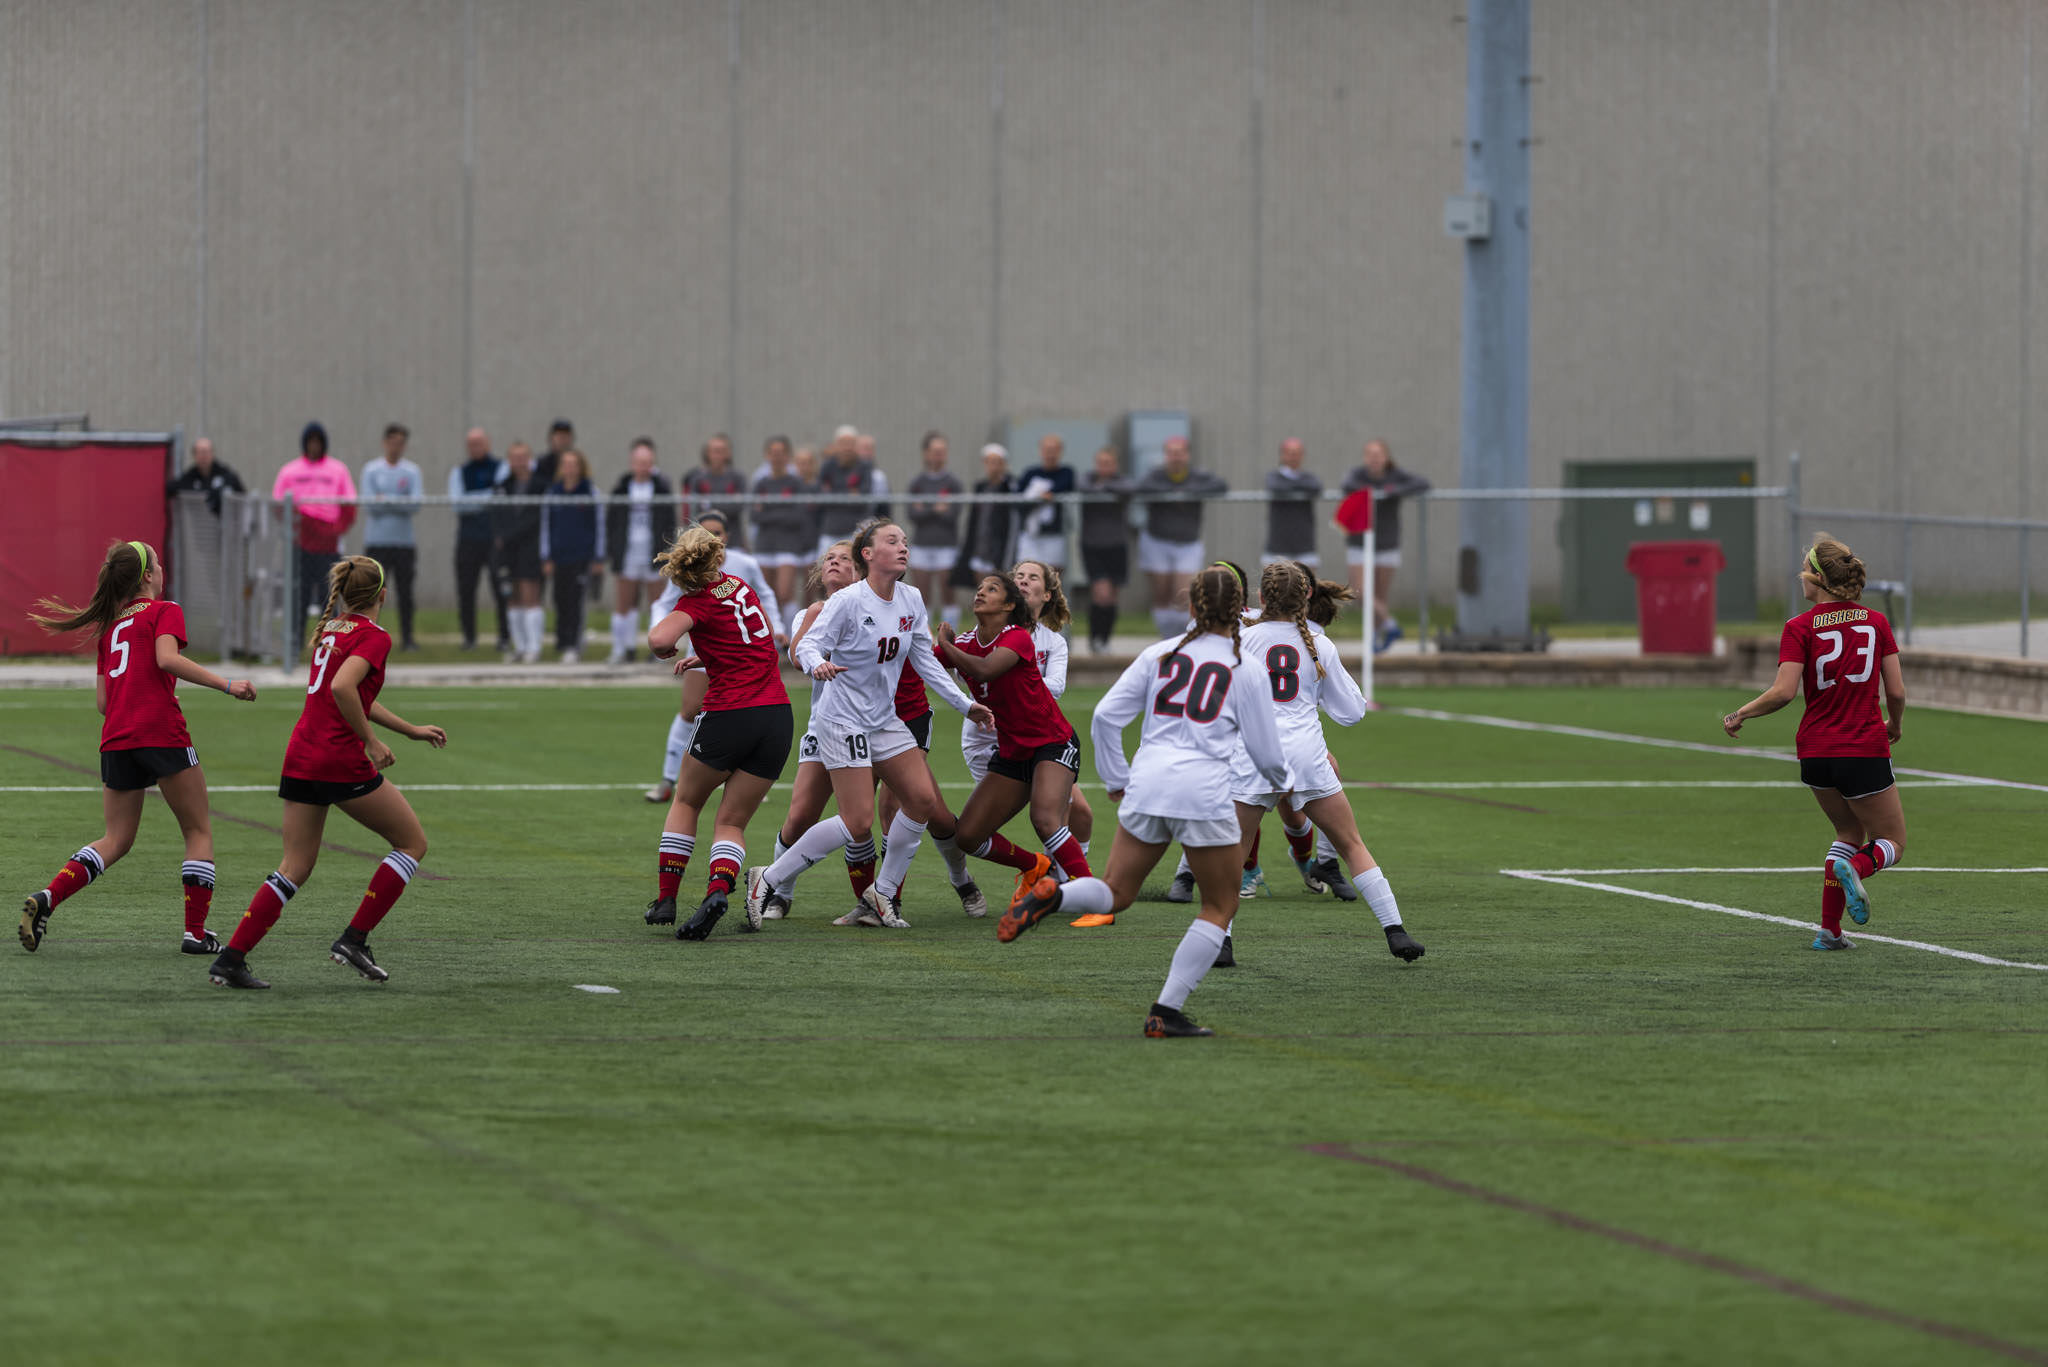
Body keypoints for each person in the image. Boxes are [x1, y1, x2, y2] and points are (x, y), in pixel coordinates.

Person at [997, 566, 1287, 1040]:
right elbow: (1268, 756)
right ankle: (1165, 1011)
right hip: (1204, 792)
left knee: (1115, 891)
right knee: (1220, 904)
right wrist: (1281, 782)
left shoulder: (1159, 654)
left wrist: (1117, 779)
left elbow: (1107, 717)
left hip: (1149, 783)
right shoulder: (1246, 668)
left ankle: (1056, 895)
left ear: (1191, 607)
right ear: (1241, 611)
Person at [747, 519, 1015, 930]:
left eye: (905, 541)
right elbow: (809, 645)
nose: (903, 547)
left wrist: (966, 705)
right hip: (842, 720)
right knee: (857, 822)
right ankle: (768, 879)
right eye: (892, 541)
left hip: (884, 719)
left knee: (923, 800)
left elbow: (925, 660)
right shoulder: (848, 600)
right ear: (868, 555)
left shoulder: (911, 598)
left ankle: (882, 895)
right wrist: (818, 665)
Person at [206, 556, 447, 989]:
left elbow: (353, 693)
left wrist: (408, 730)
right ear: (383, 596)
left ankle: (231, 958)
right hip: (337, 757)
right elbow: (342, 689)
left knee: (294, 865)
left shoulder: (332, 630)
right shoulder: (374, 636)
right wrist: (371, 742)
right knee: (412, 843)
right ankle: (354, 939)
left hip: (301, 752)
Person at [18, 540, 257, 956]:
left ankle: (48, 897)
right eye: (158, 564)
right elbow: (166, 659)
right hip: (160, 732)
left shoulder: (110, 628)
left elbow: (103, 704)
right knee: (198, 831)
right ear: (147, 576)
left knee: (116, 839)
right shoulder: (166, 610)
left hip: (117, 738)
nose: (163, 569)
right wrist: (228, 684)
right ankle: (195, 934)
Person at [1722, 534, 1906, 951]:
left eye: (1805, 568)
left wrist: (1741, 713)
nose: (1799, 575)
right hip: (1862, 746)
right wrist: (1894, 724)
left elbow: (1784, 692)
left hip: (1815, 752)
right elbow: (1895, 691)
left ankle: (1829, 931)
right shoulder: (1876, 623)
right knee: (1891, 841)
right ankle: (1858, 868)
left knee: (1846, 830)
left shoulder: (1799, 627)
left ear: (1819, 579)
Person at [1234, 561, 1424, 961]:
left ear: (1262, 598)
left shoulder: (1242, 640)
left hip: (1253, 753)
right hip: (1306, 755)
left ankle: (1221, 942)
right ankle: (1396, 931)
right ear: (1306, 597)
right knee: (1352, 845)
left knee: (1233, 854)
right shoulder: (1319, 644)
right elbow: (1352, 712)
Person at [642, 527, 793, 938]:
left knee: (687, 800)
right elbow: (740, 640)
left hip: (731, 713)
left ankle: (666, 897)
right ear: (718, 559)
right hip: (777, 716)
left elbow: (659, 638)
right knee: (731, 823)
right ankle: (717, 889)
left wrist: (669, 649)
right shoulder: (740, 586)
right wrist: (702, 655)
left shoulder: (697, 601)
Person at [933, 573, 1092, 910]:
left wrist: (946, 646)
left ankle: (1095, 899)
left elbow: (986, 669)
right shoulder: (965, 642)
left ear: (1008, 605)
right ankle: (1035, 866)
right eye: (979, 587)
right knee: (968, 836)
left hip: (1053, 741)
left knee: (1046, 819)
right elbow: (922, 662)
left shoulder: (1018, 637)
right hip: (1013, 751)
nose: (980, 592)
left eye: (991, 589)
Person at [644, 509, 784, 804]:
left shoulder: (742, 566)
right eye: (706, 534)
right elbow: (665, 606)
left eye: (717, 534)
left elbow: (766, 597)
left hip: (743, 655)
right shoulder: (700, 575)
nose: (712, 540)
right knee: (690, 710)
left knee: (737, 714)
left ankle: (742, 777)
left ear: (726, 537)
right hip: (715, 653)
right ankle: (668, 779)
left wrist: (778, 630)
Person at [1135, 435, 1229, 638]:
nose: (1175, 457)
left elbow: (1221, 486)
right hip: (1157, 541)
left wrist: (1186, 492)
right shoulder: (1156, 475)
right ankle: (1166, 637)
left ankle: (1180, 638)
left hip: (1188, 543)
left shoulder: (1197, 476)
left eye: (1179, 453)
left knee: (1183, 593)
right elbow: (1140, 488)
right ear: (1166, 455)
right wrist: (1171, 493)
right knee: (1161, 592)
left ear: (1187, 455)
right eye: (1171, 453)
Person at [1342, 438, 1431, 651]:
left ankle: (1375, 638)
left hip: (1387, 543)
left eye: (1378, 454)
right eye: (1370, 455)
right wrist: (1374, 492)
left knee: (1380, 594)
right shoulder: (1358, 476)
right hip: (1360, 541)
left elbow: (1422, 484)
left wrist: (1392, 490)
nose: (1374, 459)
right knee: (1360, 591)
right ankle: (1390, 624)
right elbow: (1348, 486)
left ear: (1386, 457)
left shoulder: (1396, 476)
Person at [274, 422, 358, 619]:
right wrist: (294, 528)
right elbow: (279, 504)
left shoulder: (338, 470)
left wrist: (337, 529)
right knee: (299, 593)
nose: (314, 446)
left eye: (318, 442)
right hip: (301, 539)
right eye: (310, 442)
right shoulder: (290, 471)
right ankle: (295, 640)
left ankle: (329, 639)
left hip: (328, 541)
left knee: (328, 593)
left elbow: (349, 504)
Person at [606, 437, 677, 664]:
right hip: (628, 552)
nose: (643, 466)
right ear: (632, 462)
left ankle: (657, 650)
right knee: (625, 603)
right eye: (639, 461)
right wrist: (612, 549)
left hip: (653, 551)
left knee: (656, 601)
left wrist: (667, 552)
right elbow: (612, 522)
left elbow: (669, 523)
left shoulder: (661, 488)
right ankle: (623, 648)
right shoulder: (621, 488)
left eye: (647, 461)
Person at [359, 422, 424, 651]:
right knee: (373, 594)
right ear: (385, 443)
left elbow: (414, 504)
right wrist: (398, 500)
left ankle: (408, 638)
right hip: (377, 543)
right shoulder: (371, 470)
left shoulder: (412, 471)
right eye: (392, 442)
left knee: (406, 592)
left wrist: (385, 499)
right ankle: (368, 638)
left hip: (404, 542)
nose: (396, 447)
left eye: (400, 443)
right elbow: (370, 505)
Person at [540, 448, 604, 662]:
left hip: (582, 557)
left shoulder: (590, 492)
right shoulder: (553, 493)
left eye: (573, 463)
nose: (569, 468)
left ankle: (574, 645)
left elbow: (599, 526)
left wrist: (598, 557)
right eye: (565, 463)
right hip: (559, 557)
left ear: (580, 467)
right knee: (560, 600)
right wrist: (546, 556)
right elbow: (546, 526)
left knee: (576, 601)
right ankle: (562, 641)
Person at [450, 427, 508, 651]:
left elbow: (501, 498)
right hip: (468, 540)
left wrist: (471, 499)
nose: (476, 448)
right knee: (466, 590)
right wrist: (486, 496)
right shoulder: (459, 472)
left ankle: (504, 637)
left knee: (500, 589)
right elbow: (458, 504)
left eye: (479, 443)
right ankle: (469, 638)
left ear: (488, 444)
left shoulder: (501, 468)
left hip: (494, 540)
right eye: (471, 444)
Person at [493, 441, 549, 663]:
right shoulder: (503, 485)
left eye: (522, 457)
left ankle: (534, 647)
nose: (518, 462)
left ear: (529, 459)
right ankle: (520, 646)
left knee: (530, 594)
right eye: (514, 458)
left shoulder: (540, 485)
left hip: (530, 547)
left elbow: (536, 518)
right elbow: (497, 516)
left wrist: (512, 533)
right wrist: (502, 538)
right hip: (508, 550)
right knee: (512, 597)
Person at [749, 435, 813, 626]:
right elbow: (754, 516)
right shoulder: (761, 484)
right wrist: (783, 511)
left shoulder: (796, 483)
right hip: (765, 545)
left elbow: (798, 517)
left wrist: (770, 512)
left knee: (785, 594)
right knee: (768, 596)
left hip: (788, 545)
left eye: (781, 453)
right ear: (767, 455)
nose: (777, 457)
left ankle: (793, 635)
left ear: (788, 456)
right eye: (773, 453)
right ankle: (774, 638)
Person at [905, 431, 965, 629]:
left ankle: (951, 639)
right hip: (922, 544)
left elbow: (952, 514)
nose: (938, 455)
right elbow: (913, 514)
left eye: (942, 451)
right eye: (935, 451)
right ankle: (925, 637)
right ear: (926, 453)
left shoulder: (953, 482)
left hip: (946, 545)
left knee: (948, 593)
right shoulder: (917, 483)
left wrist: (926, 508)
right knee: (922, 595)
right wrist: (936, 508)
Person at [1077, 446, 1134, 654]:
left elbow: (1128, 489)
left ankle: (1105, 640)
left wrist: (1105, 487)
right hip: (1092, 545)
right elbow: (1083, 488)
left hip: (1117, 545)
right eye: (1101, 463)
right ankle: (1095, 639)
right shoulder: (1087, 479)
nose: (1104, 467)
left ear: (1115, 464)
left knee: (1112, 597)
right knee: (1100, 594)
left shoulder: (1122, 480)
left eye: (1108, 463)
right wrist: (1107, 489)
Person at [958, 442, 1016, 587]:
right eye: (990, 462)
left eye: (998, 462)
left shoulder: (1009, 486)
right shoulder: (980, 487)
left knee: (1000, 584)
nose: (994, 467)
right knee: (982, 585)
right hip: (980, 543)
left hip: (999, 545)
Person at [1014, 434, 1075, 569]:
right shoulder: (1030, 473)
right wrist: (1039, 497)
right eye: (1047, 450)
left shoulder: (1066, 472)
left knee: (1052, 577)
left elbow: (1064, 485)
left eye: (1054, 450)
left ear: (1060, 452)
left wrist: (1046, 494)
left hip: (1054, 534)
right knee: (1026, 573)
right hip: (1030, 535)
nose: (1050, 454)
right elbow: (1018, 497)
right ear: (1040, 451)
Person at [1263, 438, 1323, 570]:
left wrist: (1291, 486)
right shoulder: (1273, 477)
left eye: (1296, 453)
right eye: (1289, 453)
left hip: (1304, 545)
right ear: (1282, 455)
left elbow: (1316, 487)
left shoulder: (1309, 477)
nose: (1293, 457)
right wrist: (1300, 488)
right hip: (1278, 546)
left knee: (1308, 587)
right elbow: (1276, 487)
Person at [166, 436, 246, 517]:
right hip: (198, 523)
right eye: (200, 453)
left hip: (224, 522)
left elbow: (242, 495)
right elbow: (172, 487)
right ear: (194, 455)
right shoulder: (190, 476)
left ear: (212, 453)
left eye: (206, 452)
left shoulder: (226, 474)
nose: (204, 457)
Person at [682, 433, 747, 527]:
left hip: (733, 535)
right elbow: (694, 509)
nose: (717, 456)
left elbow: (739, 507)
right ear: (707, 453)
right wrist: (728, 501)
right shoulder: (697, 479)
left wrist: (708, 503)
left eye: (721, 451)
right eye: (714, 451)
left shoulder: (738, 477)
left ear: (728, 453)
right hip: (705, 535)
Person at [537, 417, 575, 487]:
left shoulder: (577, 463)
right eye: (558, 435)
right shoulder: (542, 463)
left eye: (565, 435)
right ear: (551, 438)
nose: (562, 439)